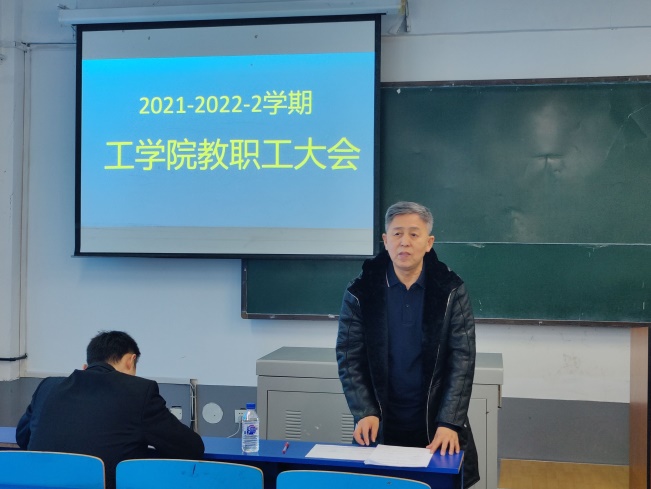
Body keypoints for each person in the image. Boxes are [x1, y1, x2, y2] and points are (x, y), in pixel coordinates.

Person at [336, 201, 479, 488]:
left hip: (436, 424)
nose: (405, 241)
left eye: (414, 234)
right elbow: (349, 357)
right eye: (397, 233)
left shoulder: (450, 289)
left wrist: (449, 422)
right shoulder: (361, 291)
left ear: (429, 243)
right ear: (385, 240)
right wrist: (364, 412)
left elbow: (462, 359)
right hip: (379, 423)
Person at [16, 331, 204, 489]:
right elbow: (191, 448)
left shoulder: (48, 387)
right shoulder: (139, 392)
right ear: (131, 360)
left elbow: (22, 437)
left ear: (89, 362)